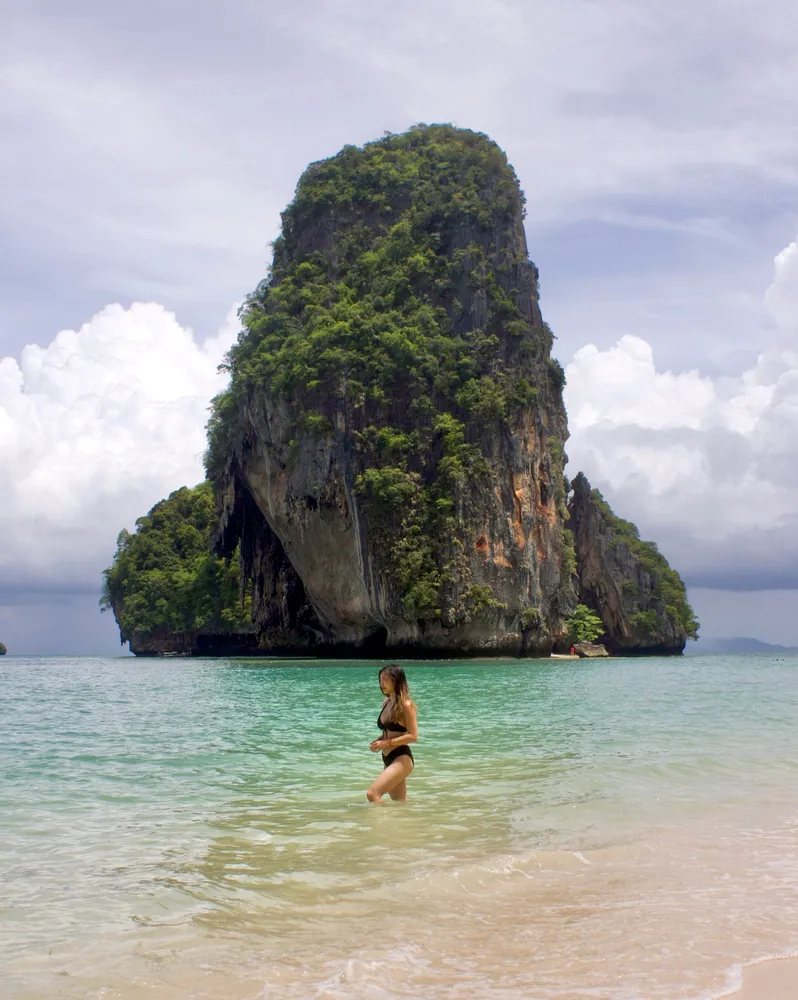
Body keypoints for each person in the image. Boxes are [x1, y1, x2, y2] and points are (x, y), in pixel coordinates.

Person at [367, 664, 418, 803]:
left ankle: (381, 823)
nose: (381, 683)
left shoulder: (406, 705)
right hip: (387, 757)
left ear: (395, 681)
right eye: (380, 680)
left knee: (373, 794)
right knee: (400, 804)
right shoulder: (386, 703)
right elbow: (388, 732)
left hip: (401, 757)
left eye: (385, 679)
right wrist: (378, 741)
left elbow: (413, 736)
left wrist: (386, 743)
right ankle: (401, 824)